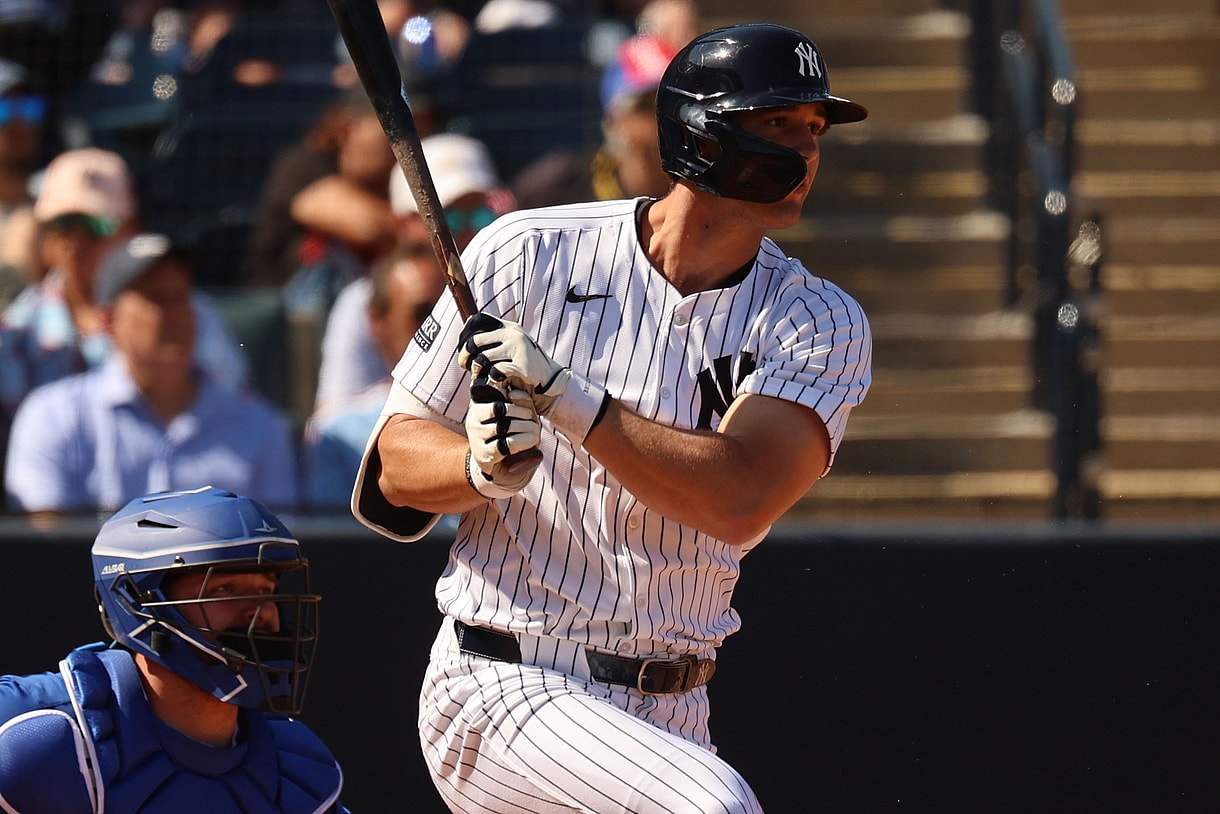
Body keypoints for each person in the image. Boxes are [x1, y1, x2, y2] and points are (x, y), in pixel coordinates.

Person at [350, 22, 873, 813]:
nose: (804, 151)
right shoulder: (529, 252)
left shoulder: (820, 321)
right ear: (702, 134)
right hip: (503, 681)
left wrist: (565, 396)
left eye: (813, 129)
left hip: (673, 709)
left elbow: (738, 499)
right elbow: (393, 463)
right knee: (713, 808)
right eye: (776, 125)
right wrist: (475, 470)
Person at [0, 485, 351, 812]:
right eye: (225, 590)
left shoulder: (296, 770)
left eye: (266, 589)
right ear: (140, 603)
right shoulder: (38, 734)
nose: (261, 613)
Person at [5, 232, 299, 516]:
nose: (174, 314)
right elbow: (47, 547)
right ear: (109, 320)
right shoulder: (53, 416)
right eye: (155, 298)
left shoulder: (258, 425)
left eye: (181, 296)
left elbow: (277, 548)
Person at [311, 131, 513, 416]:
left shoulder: (517, 286)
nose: (469, 232)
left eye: (480, 215)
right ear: (403, 225)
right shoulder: (360, 303)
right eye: (450, 219)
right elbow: (334, 423)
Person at [303, 239, 445, 510]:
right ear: (378, 321)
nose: (446, 329)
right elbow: (337, 545)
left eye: (450, 313)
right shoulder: (336, 435)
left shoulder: (503, 416)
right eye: (425, 314)